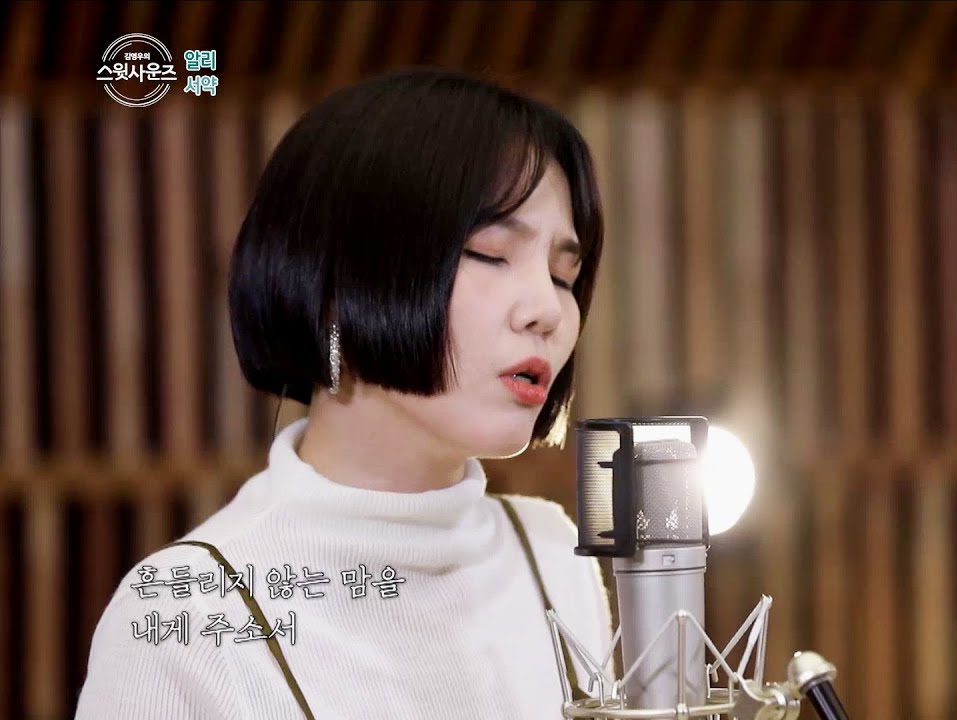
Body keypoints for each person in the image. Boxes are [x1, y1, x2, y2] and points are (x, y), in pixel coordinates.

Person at [76, 67, 612, 719]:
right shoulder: (181, 619)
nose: (548, 311)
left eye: (563, 275)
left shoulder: (553, 555)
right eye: (490, 254)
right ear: (336, 285)